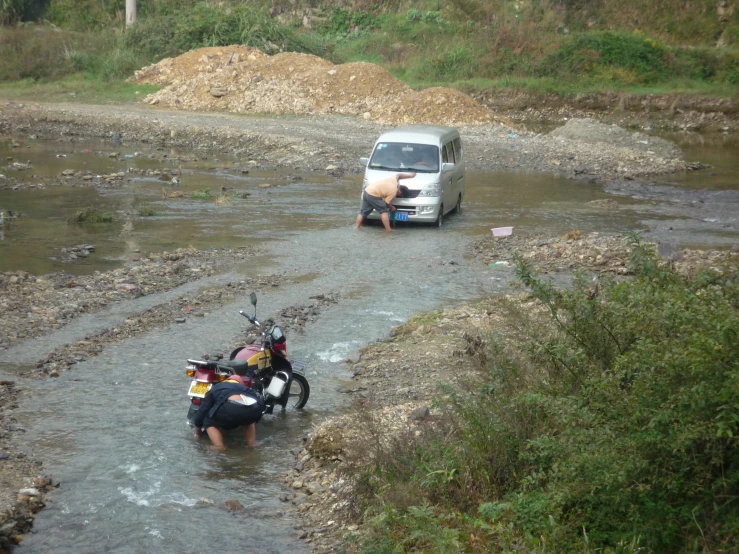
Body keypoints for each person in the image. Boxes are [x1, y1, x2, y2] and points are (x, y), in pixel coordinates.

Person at [192, 370, 266, 450]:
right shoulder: (246, 388)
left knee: (208, 421)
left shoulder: (217, 387)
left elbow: (203, 411)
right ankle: (252, 444)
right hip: (255, 407)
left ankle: (219, 446)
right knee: (249, 421)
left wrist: (198, 433)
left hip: (232, 407)